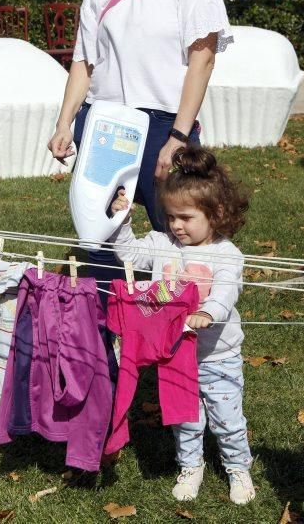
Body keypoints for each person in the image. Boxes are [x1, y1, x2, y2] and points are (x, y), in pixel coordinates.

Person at [47, 0, 233, 296]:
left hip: (166, 126)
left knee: (180, 235)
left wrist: (178, 136)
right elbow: (84, 61)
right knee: (101, 238)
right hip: (105, 124)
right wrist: (64, 123)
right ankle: (109, 331)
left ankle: (183, 327)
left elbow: (204, 59)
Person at [108, 146, 254, 505]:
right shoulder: (162, 244)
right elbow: (128, 254)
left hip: (217, 356)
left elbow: (225, 292)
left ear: (215, 213)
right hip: (174, 356)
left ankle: (238, 467)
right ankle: (191, 467)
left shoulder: (226, 254)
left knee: (226, 420)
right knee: (184, 418)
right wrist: (123, 220)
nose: (176, 225)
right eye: (171, 216)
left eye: (185, 217)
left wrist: (209, 313)